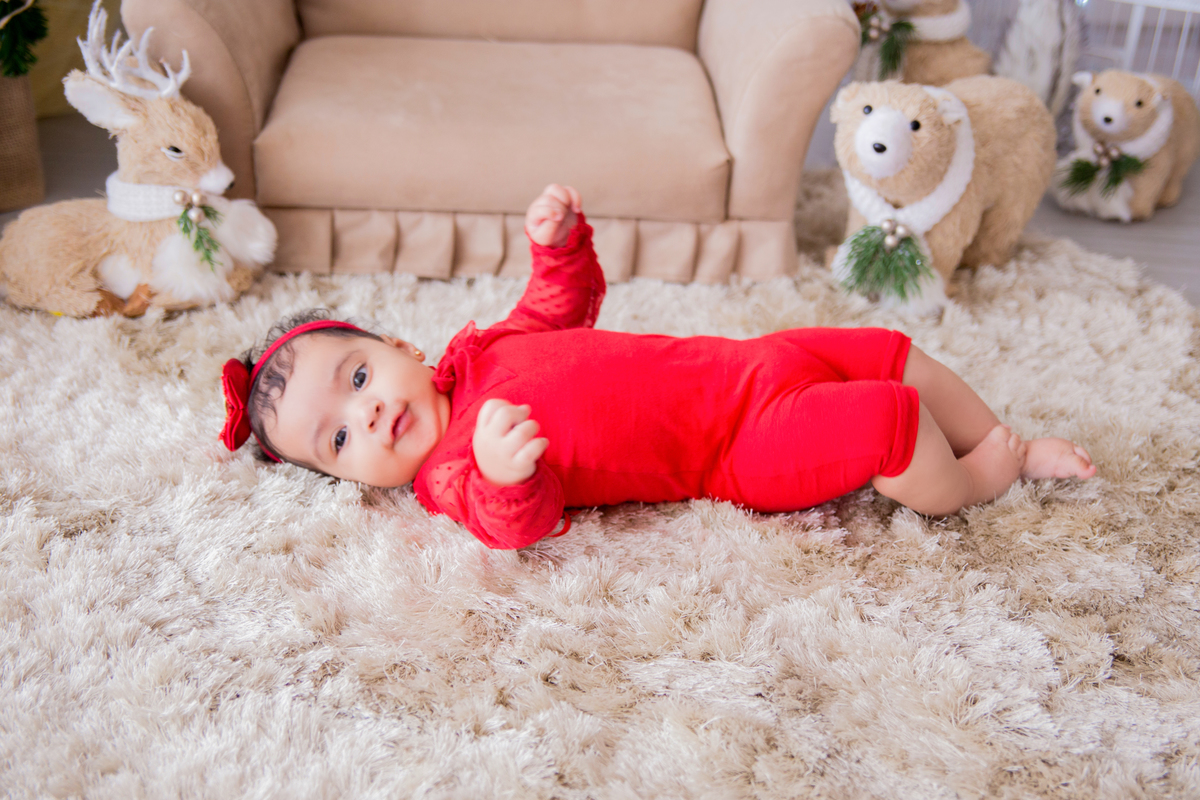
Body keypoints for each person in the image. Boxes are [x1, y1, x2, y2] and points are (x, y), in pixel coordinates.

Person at [219, 185, 1096, 549]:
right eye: (337, 439)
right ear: (357, 479)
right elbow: (511, 523)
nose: (365, 417)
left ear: (403, 351)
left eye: (359, 380)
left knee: (888, 354)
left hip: (747, 364)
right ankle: (988, 473)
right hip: (736, 444)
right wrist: (504, 474)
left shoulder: (482, 351)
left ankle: (986, 425)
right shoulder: (451, 473)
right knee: (883, 422)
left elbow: (560, 307)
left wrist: (553, 248)